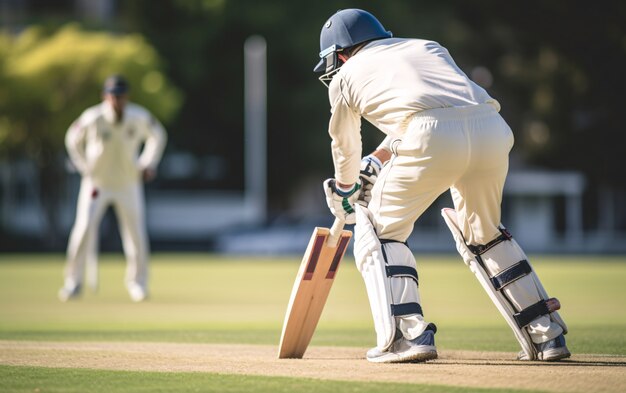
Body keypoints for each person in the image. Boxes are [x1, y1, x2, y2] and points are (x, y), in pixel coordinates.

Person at [315, 9, 570, 363]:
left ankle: (408, 337)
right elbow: (441, 111)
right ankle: (547, 334)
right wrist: (376, 160)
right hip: (491, 128)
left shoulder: (346, 76)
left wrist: (345, 190)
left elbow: (345, 144)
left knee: (379, 230)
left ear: (341, 54)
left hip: (431, 136)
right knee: (484, 234)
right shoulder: (426, 47)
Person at [59, 75, 167, 302]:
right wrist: (83, 166)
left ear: (126, 97)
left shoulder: (138, 117)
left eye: (120, 96)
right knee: (84, 229)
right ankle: (73, 282)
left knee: (135, 234)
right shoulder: (93, 117)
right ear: (105, 96)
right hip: (96, 184)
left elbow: (158, 135)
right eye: (113, 96)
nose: (117, 100)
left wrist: (148, 163)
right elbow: (72, 138)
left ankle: (137, 283)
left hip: (128, 184)